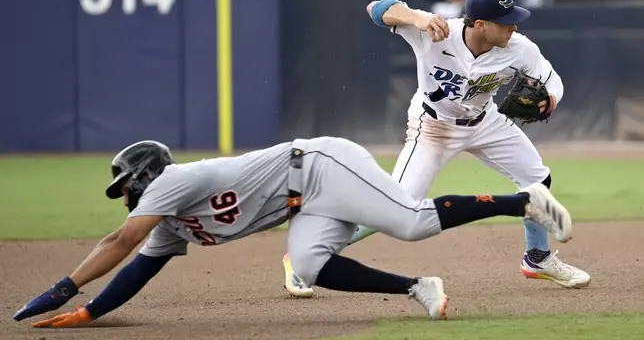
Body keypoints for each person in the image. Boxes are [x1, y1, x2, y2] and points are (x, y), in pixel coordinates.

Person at [13, 137, 573, 327]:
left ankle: (523, 200)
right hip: (305, 201)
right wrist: (90, 312)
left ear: (146, 177)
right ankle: (416, 287)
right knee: (306, 266)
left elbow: (118, 244)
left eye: (127, 186)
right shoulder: (169, 221)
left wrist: (65, 286)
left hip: (323, 165)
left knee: (411, 221)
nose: (127, 196)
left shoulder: (173, 182)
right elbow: (139, 266)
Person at [282, 0, 590, 298]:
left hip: (486, 121)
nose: (514, 25)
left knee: (537, 178)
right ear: (480, 25)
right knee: (394, 205)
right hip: (434, 126)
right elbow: (376, 7)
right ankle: (306, 254)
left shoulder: (520, 48)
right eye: (505, 20)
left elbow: (551, 79)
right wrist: (415, 17)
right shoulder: (435, 32)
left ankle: (537, 258)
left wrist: (550, 99)